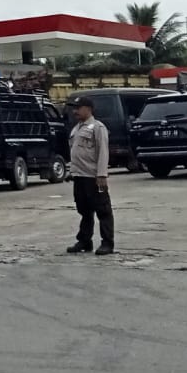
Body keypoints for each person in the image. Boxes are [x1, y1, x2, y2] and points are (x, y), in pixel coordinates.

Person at [67, 97, 114, 255]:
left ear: (89, 109)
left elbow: (103, 152)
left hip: (94, 177)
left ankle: (107, 243)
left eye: (78, 108)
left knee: (103, 210)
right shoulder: (77, 128)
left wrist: (102, 174)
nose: (75, 111)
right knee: (84, 210)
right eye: (74, 108)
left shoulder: (97, 127)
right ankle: (85, 241)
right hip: (79, 177)